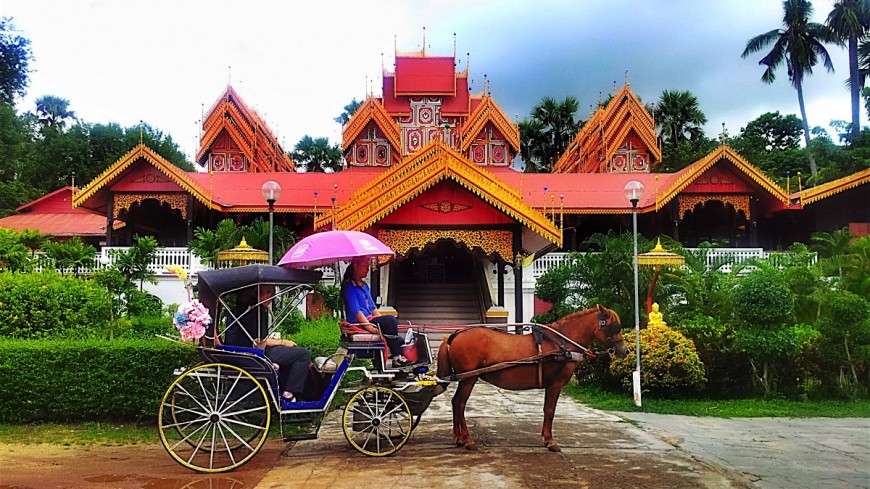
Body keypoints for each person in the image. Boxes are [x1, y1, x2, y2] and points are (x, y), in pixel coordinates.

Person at [225, 285, 310, 402]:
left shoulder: (241, 309)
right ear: (268, 295)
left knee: (289, 352)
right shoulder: (257, 311)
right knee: (303, 354)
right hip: (254, 354)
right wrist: (283, 342)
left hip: (242, 350)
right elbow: (260, 341)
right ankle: (289, 394)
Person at [342, 256, 409, 366]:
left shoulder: (365, 286)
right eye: (364, 266)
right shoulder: (349, 286)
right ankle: (397, 358)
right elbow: (356, 310)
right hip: (359, 323)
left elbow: (373, 308)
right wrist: (369, 326)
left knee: (398, 337)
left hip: (370, 319)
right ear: (355, 266)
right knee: (391, 320)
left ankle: (382, 364)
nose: (367, 269)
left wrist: (381, 321)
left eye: (368, 266)